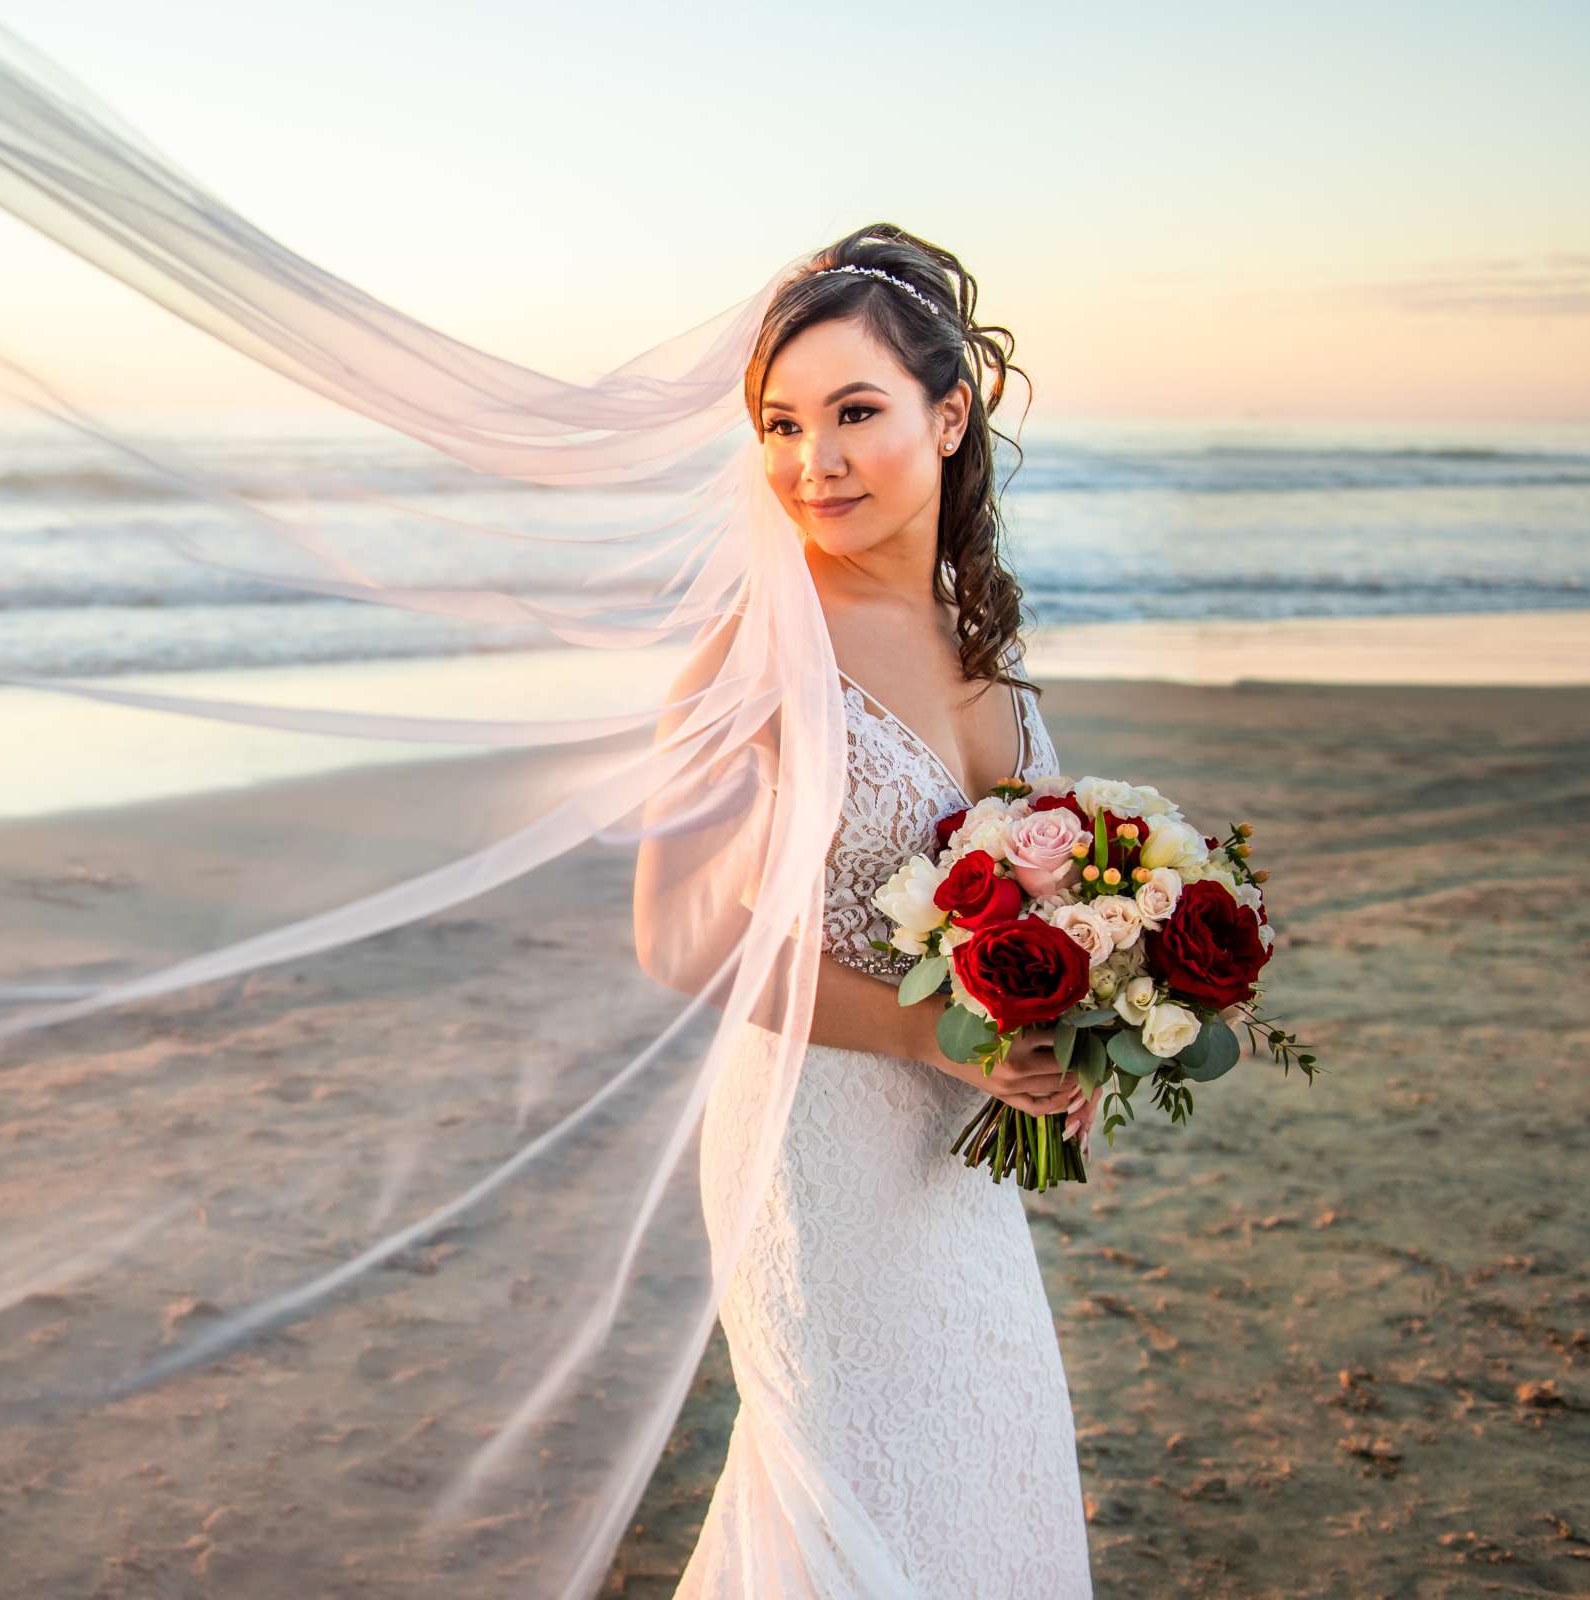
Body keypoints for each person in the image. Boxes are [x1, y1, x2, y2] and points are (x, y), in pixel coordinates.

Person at [635, 227, 1099, 1597]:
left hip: (957, 1164)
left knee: (986, 1477)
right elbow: (677, 936)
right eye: (781, 424)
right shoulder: (760, 651)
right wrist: (923, 1038)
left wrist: (1070, 1057)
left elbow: (1038, 918)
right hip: (815, 1150)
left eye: (854, 414)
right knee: (851, 1501)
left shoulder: (989, 651)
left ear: (949, 417)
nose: (811, 463)